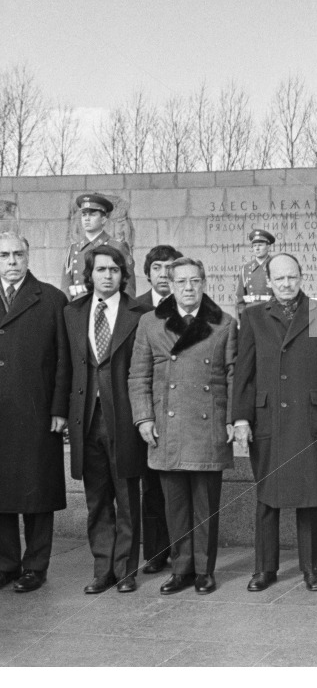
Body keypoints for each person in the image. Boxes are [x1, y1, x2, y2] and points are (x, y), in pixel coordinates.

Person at [232, 253, 317, 592]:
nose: (286, 284)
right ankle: (264, 569)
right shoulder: (253, 316)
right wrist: (240, 418)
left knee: (309, 495)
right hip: (269, 419)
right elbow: (244, 373)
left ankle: (312, 568)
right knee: (267, 496)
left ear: (301, 277)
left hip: (308, 420)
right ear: (268, 280)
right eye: (279, 279)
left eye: (292, 277)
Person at [128, 257, 236, 595]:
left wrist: (233, 418)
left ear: (204, 283)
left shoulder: (225, 324)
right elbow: (138, 375)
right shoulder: (150, 323)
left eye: (194, 281)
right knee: (174, 507)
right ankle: (181, 568)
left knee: (204, 505)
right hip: (167, 427)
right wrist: (144, 417)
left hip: (208, 426)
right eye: (181, 282)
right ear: (170, 286)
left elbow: (234, 377)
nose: (188, 288)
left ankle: (204, 570)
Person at [64, 246, 151, 594]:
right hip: (86, 419)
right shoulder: (72, 313)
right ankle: (103, 569)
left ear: (123, 275)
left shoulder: (140, 313)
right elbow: (64, 366)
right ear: (90, 274)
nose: (108, 275)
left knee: (128, 496)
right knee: (97, 498)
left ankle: (126, 569)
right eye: (101, 269)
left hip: (124, 418)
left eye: (114, 270)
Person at [0, 232, 70, 593]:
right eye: (4, 255)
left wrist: (60, 408)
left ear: (28, 257)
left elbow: (63, 360)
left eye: (18, 254)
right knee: (2, 491)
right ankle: (7, 563)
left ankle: (35, 566)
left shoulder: (51, 299)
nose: (11, 262)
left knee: (37, 490)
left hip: (37, 411)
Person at [134, 244, 183, 574]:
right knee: (151, 485)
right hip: (148, 410)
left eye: (170, 268)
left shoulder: (190, 307)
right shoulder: (133, 309)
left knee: (179, 486)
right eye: (157, 268)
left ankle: (182, 551)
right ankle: (155, 552)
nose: (164, 274)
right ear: (147, 272)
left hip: (180, 409)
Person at [62, 193, 136, 302]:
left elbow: (128, 288)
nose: (87, 219)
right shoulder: (74, 249)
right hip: (78, 311)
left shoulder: (117, 247)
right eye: (84, 214)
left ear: (103, 220)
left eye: (92, 214)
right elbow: (65, 288)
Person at [235, 229, 275, 317]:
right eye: (254, 245)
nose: (257, 248)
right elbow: (240, 297)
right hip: (251, 314)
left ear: (269, 247)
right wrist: (242, 318)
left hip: (271, 313)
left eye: (260, 245)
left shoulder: (275, 265)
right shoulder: (246, 268)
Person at [137, 244, 184, 308]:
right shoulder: (135, 306)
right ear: (148, 274)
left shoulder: (189, 304)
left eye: (169, 268)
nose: (163, 275)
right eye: (156, 268)